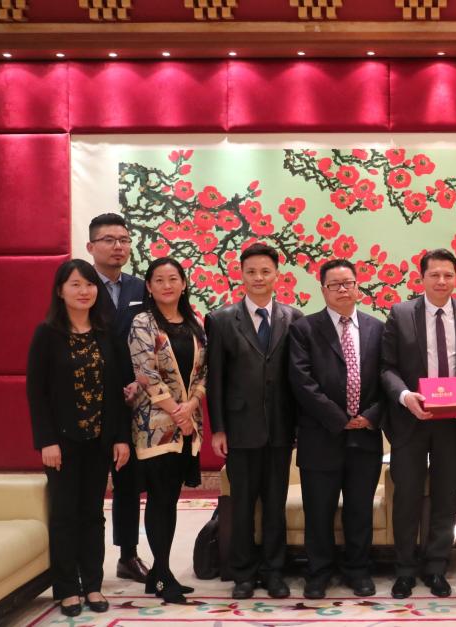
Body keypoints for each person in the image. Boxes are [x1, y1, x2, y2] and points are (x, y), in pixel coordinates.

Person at [26, 259, 131, 617]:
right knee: (65, 513)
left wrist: (120, 437)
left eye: (89, 284)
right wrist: (46, 440)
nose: (84, 291)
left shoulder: (106, 332)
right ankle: (67, 587)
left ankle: (93, 584)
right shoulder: (47, 334)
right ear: (60, 291)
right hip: (62, 442)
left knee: (93, 514)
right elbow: (36, 393)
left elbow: (117, 391)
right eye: (75, 284)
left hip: (99, 440)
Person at [380, 248, 456, 599]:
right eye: (434, 275)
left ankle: (437, 567)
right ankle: (405, 570)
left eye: (448, 275)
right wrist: (405, 396)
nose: (441, 281)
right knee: (407, 496)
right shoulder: (400, 313)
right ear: (421, 277)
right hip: (410, 419)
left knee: (445, 497)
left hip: (452, 422)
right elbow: (387, 367)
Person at [205, 243, 303, 600]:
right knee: (243, 505)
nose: (258, 277)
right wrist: (218, 428)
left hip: (280, 427)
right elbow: (215, 379)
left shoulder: (294, 317)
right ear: (241, 275)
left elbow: (299, 378)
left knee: (275, 505)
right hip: (240, 428)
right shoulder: (221, 319)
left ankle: (274, 571)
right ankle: (243, 573)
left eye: (265, 271)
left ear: (277, 275)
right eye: (251, 272)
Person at [288, 259, 385, 600]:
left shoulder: (377, 328)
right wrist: (338, 418)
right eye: (335, 284)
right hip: (320, 435)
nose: (343, 289)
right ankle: (318, 572)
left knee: (360, 509)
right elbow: (302, 381)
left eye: (348, 283)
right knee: (319, 511)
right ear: (323, 290)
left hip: (365, 435)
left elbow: (388, 377)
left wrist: (371, 415)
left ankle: (358, 570)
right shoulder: (304, 329)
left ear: (358, 286)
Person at [128, 257, 207, 604]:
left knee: (170, 500)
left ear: (184, 283)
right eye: (158, 280)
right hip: (155, 426)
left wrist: (191, 407)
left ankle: (160, 574)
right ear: (149, 286)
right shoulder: (142, 322)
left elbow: (204, 371)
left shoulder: (195, 322)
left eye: (173, 278)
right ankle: (162, 576)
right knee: (159, 500)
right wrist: (177, 411)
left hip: (187, 425)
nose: (166, 285)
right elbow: (145, 374)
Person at [85, 212, 149, 583]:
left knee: (128, 482)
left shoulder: (140, 288)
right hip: (91, 398)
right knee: (90, 484)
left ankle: (128, 555)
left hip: (133, 397)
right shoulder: (79, 285)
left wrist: (140, 382)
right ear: (91, 246)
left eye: (124, 240)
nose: (118, 246)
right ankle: (85, 561)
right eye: (109, 240)